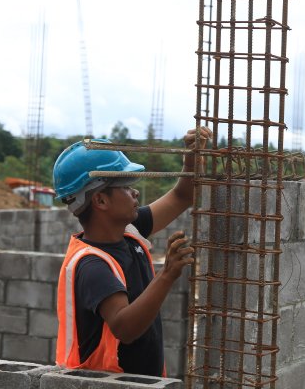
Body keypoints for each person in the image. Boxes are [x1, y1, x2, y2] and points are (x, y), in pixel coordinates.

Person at [53, 126, 212, 376]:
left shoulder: (129, 232)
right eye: (126, 185)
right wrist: (166, 274)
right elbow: (124, 327)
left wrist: (191, 158)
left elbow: (183, 195)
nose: (135, 191)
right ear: (101, 201)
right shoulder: (93, 265)